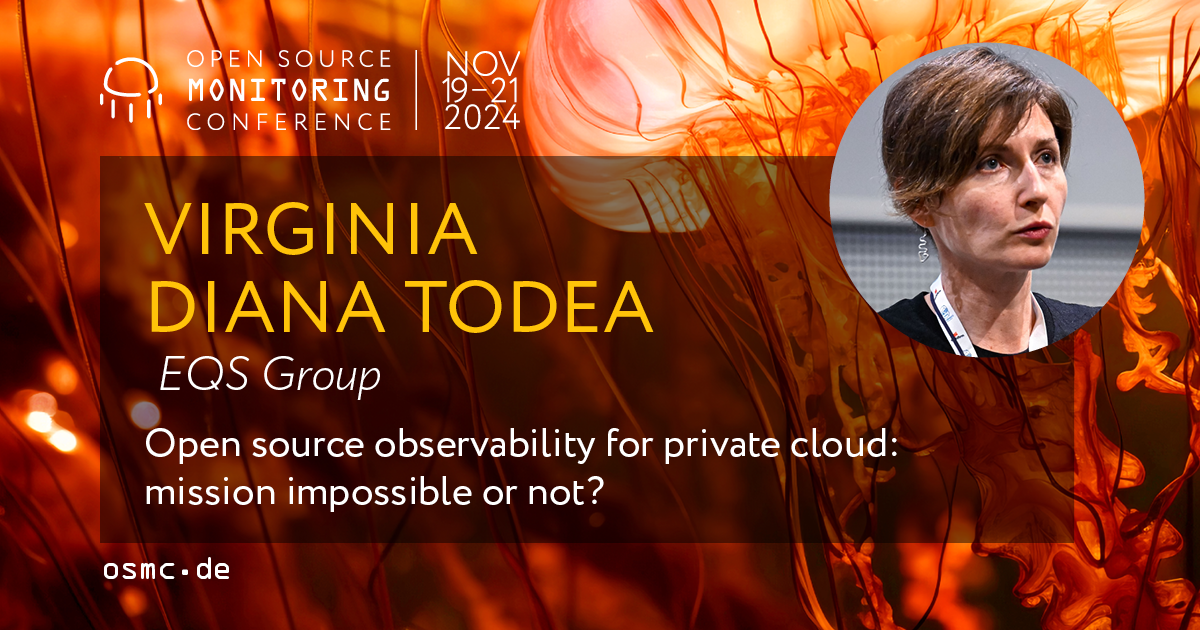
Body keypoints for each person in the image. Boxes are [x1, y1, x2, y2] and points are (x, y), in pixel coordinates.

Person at [876, 47, 1100, 357]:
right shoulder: (875, 351)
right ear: (919, 202)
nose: (1037, 191)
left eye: (1046, 157)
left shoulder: (1102, 341)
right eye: (991, 163)